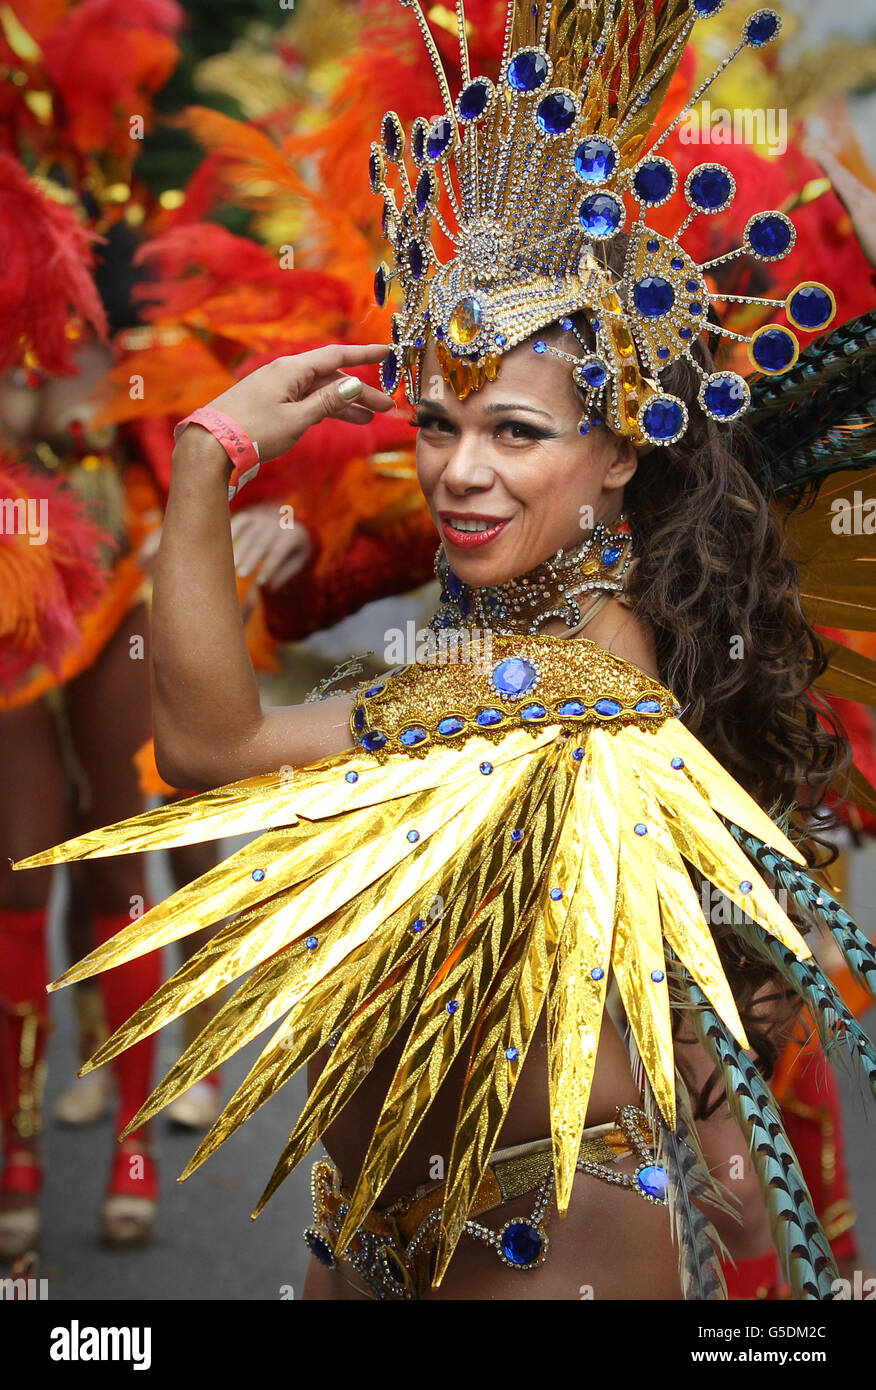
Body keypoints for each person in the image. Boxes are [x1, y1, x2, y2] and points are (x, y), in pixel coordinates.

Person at [13, 0, 876, 1300]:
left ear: (620, 455)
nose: (461, 471)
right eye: (436, 422)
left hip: (536, 1241)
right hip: (400, 1221)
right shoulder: (537, 632)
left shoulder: (550, 686)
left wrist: (210, 452)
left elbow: (207, 744)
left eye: (517, 434)